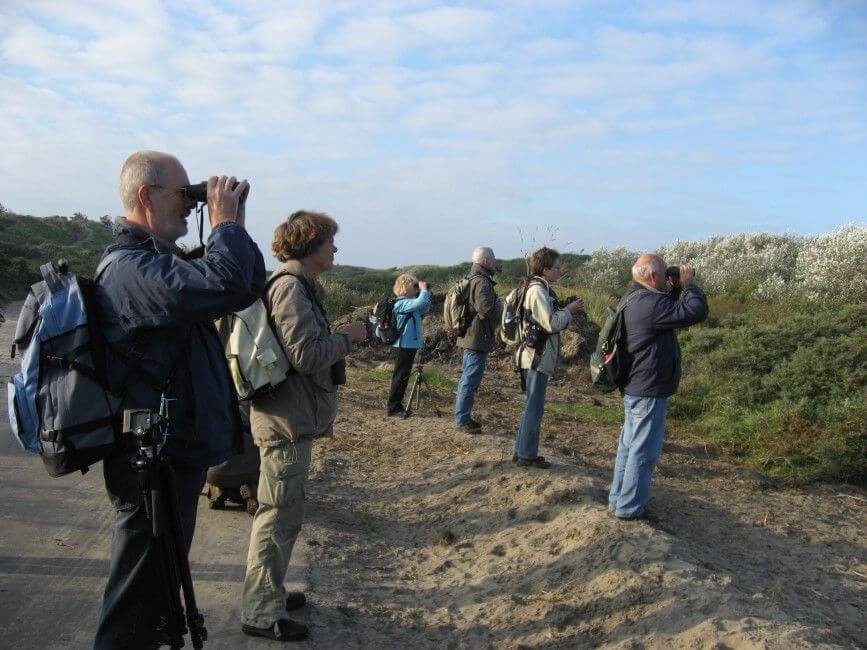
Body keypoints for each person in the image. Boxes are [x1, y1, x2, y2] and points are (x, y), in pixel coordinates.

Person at [94, 151, 266, 648]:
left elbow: (244, 287)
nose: (192, 206)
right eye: (184, 194)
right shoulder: (129, 269)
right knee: (134, 610)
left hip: (172, 458)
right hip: (150, 465)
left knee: (157, 602)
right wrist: (223, 224)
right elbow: (225, 280)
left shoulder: (154, 264)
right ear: (146, 197)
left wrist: (234, 224)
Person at [242, 211, 366, 642]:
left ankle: (269, 591)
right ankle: (260, 611)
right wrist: (350, 337)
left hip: (289, 416)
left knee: (284, 513)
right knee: (277, 516)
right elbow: (307, 355)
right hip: (285, 421)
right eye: (329, 241)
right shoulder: (291, 289)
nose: (334, 248)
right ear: (310, 245)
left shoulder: (295, 285)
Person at [608, 254, 708, 521]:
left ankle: (618, 500)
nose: (669, 279)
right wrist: (688, 286)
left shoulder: (635, 297)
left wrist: (674, 287)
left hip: (636, 385)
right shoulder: (650, 304)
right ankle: (629, 508)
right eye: (665, 275)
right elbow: (695, 312)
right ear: (653, 277)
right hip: (648, 388)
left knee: (629, 447)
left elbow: (668, 309)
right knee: (643, 452)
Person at [513, 247, 584, 468]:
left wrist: (563, 307)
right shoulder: (537, 290)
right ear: (545, 269)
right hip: (536, 357)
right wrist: (570, 310)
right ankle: (527, 456)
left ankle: (522, 450)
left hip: (533, 355)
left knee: (532, 407)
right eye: (556, 267)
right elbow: (551, 323)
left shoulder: (538, 288)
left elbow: (545, 317)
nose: (560, 271)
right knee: (534, 408)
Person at [454, 247, 502, 433]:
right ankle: (462, 421)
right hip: (476, 338)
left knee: (467, 379)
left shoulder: (472, 278)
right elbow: (486, 311)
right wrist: (500, 305)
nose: (496, 262)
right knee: (469, 381)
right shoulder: (482, 282)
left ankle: (463, 418)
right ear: (486, 261)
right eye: (494, 259)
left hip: (470, 337)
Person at [387, 274, 431, 416]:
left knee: (403, 376)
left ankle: (397, 405)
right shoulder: (401, 303)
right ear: (405, 287)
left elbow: (424, 307)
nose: (416, 288)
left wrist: (425, 292)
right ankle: (393, 408)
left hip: (409, 344)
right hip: (403, 344)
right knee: (400, 376)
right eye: (414, 286)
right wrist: (423, 291)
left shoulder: (410, 303)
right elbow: (419, 303)